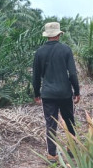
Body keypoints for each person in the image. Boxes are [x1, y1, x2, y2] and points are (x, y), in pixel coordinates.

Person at [33, 21, 81, 160]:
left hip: (48, 94)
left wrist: (37, 93)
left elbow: (36, 76)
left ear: (47, 36)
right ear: (59, 34)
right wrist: (76, 91)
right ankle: (72, 150)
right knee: (69, 121)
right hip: (65, 93)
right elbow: (72, 74)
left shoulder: (39, 52)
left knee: (50, 123)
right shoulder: (66, 49)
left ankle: (51, 154)